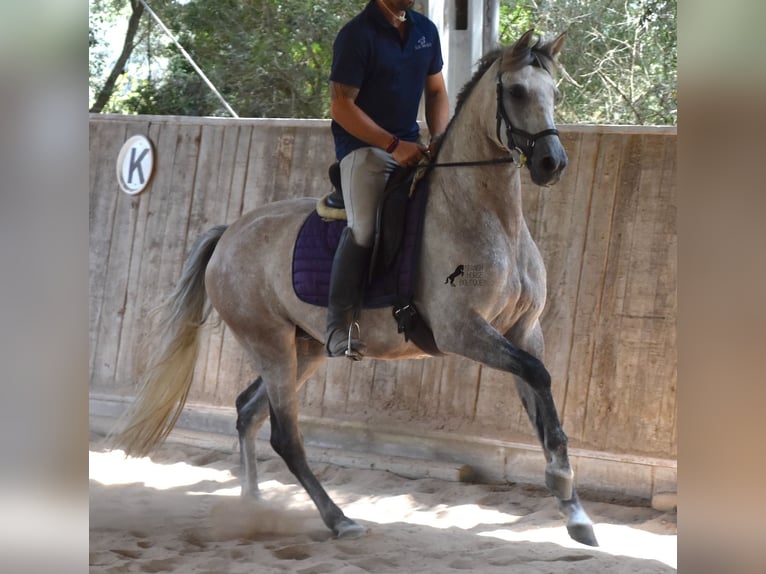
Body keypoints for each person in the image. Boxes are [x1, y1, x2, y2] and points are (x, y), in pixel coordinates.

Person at [325, 0, 450, 360]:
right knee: (364, 228)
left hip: (412, 145)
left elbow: (437, 91)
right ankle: (337, 326)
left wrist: (439, 140)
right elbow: (341, 106)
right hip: (364, 149)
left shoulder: (425, 31)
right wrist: (394, 145)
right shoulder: (356, 35)